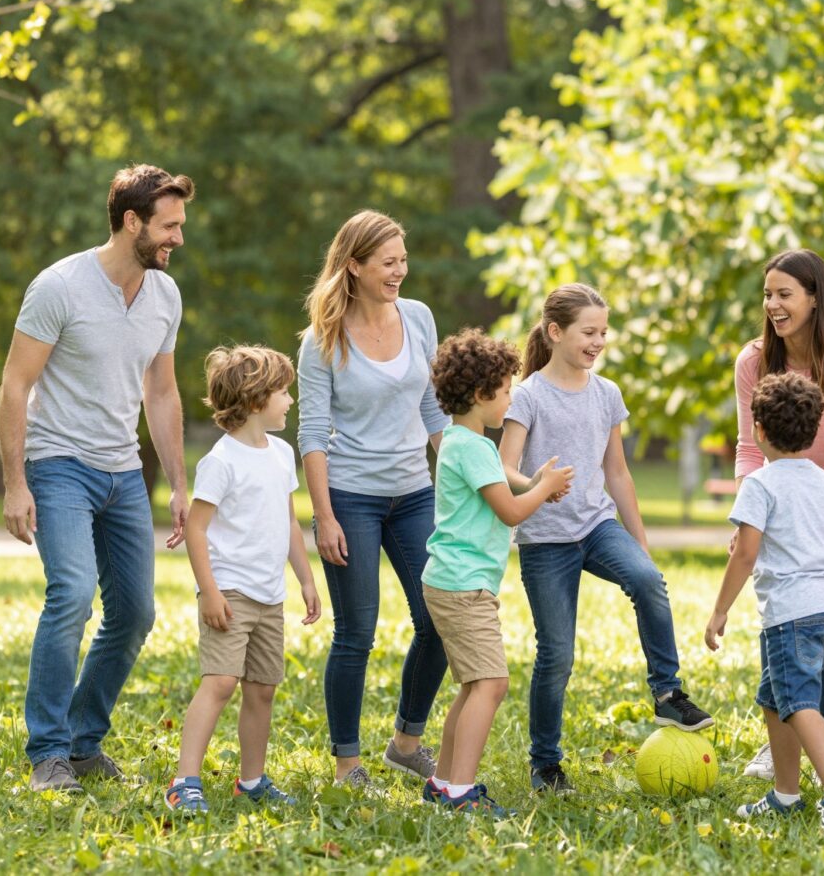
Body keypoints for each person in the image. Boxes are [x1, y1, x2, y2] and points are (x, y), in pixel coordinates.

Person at [0, 164, 194, 792]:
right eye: (169, 227)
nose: (178, 240)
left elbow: (161, 392)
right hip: (58, 465)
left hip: (122, 473)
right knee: (73, 596)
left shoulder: (164, 294)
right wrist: (16, 483)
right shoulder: (59, 287)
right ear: (131, 221)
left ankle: (84, 743)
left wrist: (180, 485)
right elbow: (14, 384)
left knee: (136, 614)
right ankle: (48, 752)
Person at [499, 283, 714, 795]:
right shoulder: (528, 395)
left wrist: (639, 543)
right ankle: (546, 764)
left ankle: (667, 693)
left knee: (646, 579)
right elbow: (504, 467)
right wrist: (536, 487)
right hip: (546, 540)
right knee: (557, 656)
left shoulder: (606, 393)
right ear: (555, 332)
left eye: (603, 333)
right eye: (588, 332)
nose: (598, 342)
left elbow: (617, 474)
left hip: (596, 526)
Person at [297, 210, 449, 788]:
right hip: (350, 497)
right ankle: (347, 764)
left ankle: (407, 742)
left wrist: (461, 475)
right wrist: (325, 517)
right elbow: (311, 435)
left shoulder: (418, 318)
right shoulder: (323, 340)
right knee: (356, 631)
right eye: (388, 263)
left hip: (414, 493)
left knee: (439, 617)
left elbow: (433, 410)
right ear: (354, 266)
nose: (400, 272)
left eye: (403, 261)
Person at [734, 249, 824, 780]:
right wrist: (747, 514)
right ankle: (784, 756)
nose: (773, 305)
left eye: (784, 294)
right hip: (778, 511)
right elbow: (749, 449)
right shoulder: (753, 361)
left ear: (815, 297)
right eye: (768, 295)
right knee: (782, 622)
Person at [704, 372, 824, 830]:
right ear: (814, 429)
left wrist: (720, 610)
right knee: (774, 698)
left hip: (790, 613)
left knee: (797, 701)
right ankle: (786, 794)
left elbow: (746, 553)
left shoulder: (758, 484)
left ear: (758, 430)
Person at [419, 329, 572, 816]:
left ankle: (443, 782)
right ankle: (460, 792)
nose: (512, 396)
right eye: (507, 389)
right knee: (491, 684)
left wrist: (538, 486)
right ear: (483, 395)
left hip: (456, 582)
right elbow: (509, 511)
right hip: (462, 586)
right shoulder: (476, 448)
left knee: (473, 684)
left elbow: (505, 492)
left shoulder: (461, 443)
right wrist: (543, 485)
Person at [165, 346, 321, 813]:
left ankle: (252, 780)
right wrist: (209, 591)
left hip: (270, 594)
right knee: (220, 682)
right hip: (230, 591)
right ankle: (184, 781)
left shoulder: (280, 452)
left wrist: (306, 580)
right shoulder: (222, 460)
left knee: (263, 688)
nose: (290, 401)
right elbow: (196, 527)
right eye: (283, 392)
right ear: (256, 400)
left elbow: (289, 521)